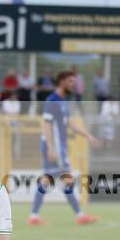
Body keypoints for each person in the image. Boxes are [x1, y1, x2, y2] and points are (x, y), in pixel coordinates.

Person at [29, 71, 100, 226]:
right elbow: (46, 124)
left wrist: (88, 136)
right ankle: (80, 216)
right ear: (61, 82)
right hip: (54, 145)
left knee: (50, 180)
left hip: (57, 145)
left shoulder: (63, 102)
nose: (73, 84)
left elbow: (70, 124)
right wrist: (51, 147)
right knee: (66, 178)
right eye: (70, 81)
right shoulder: (52, 100)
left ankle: (34, 216)